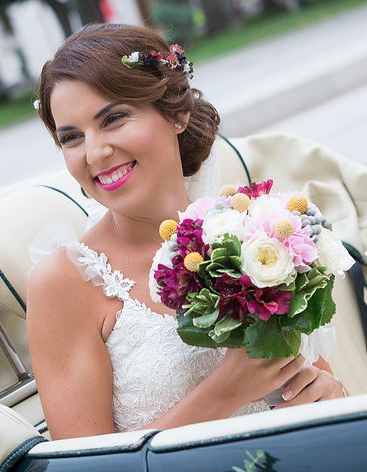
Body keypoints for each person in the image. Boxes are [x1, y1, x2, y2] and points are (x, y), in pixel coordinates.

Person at [26, 23, 345, 440]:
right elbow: (90, 469)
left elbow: (317, 384)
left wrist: (331, 396)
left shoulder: (255, 236)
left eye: (114, 119)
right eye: (72, 137)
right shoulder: (65, 284)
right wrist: (224, 394)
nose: (95, 152)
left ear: (177, 114)